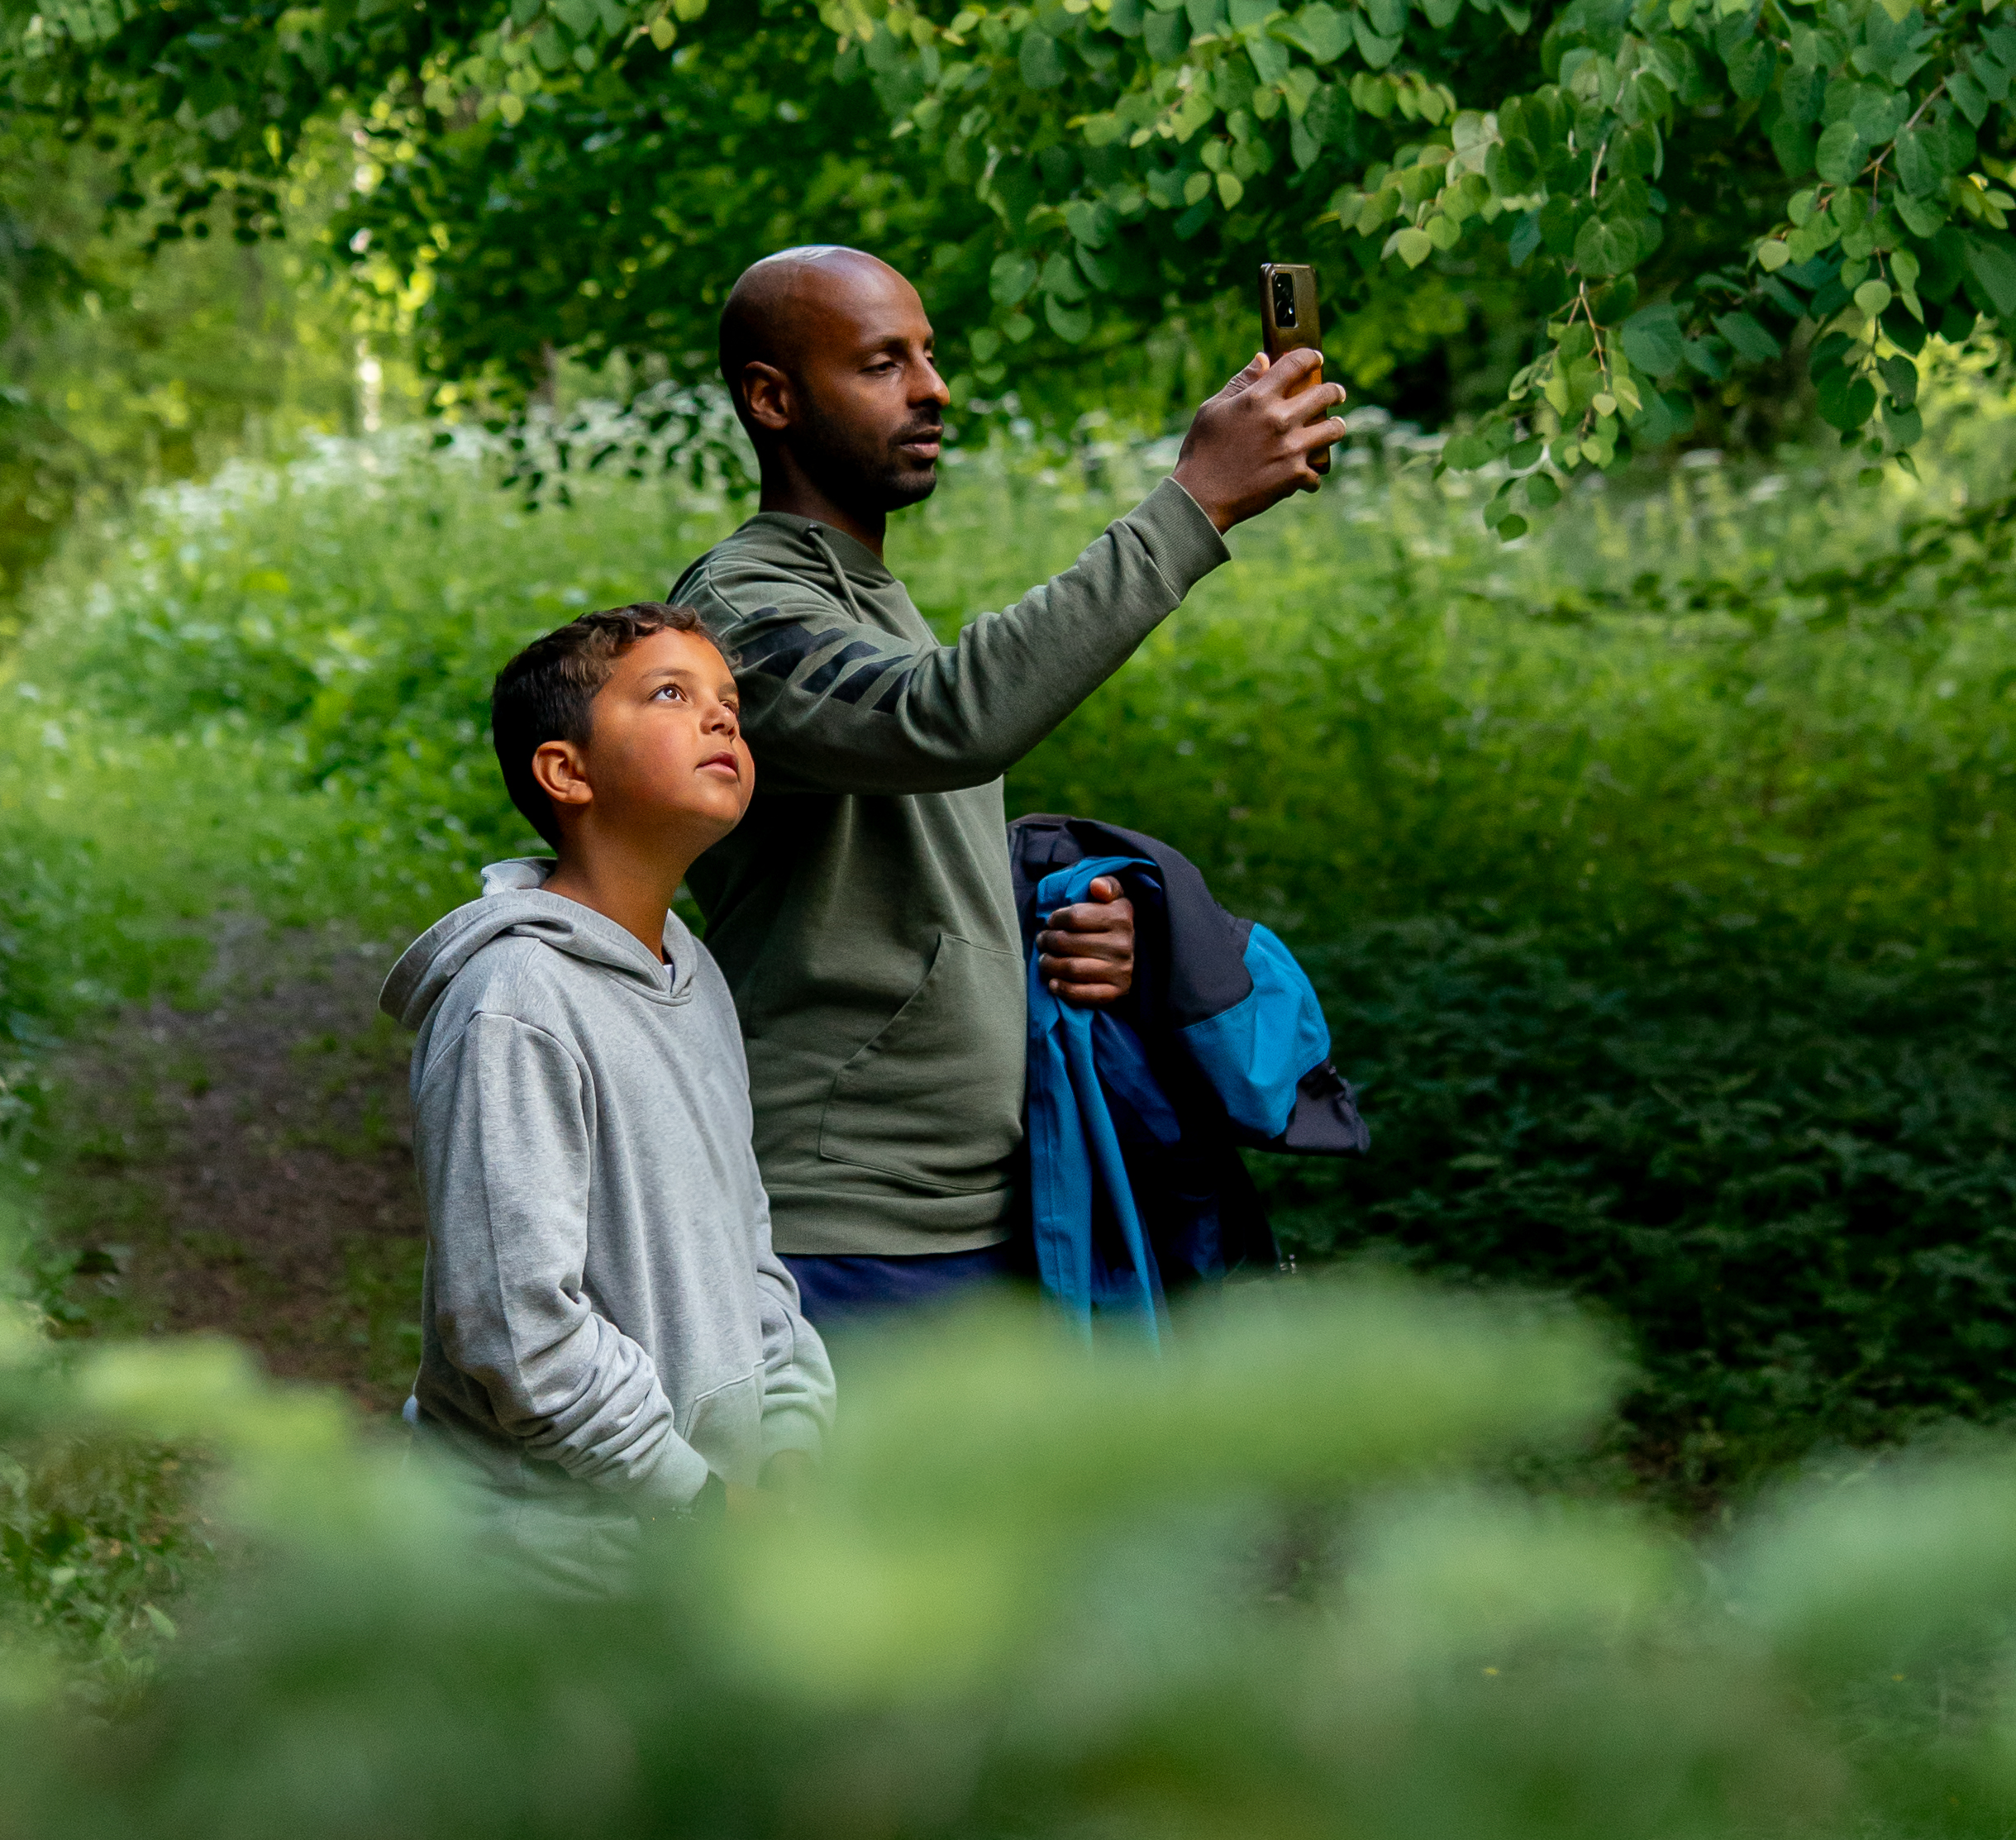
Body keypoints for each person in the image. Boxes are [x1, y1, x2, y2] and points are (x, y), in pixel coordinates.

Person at [670, 245, 1348, 1329]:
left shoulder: (862, 598)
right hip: (840, 1232)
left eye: (930, 356)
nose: (934, 387)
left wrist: (1077, 928)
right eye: (883, 362)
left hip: (975, 1213)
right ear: (773, 398)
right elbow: (949, 718)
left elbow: (901, 857)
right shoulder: (743, 614)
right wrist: (1191, 507)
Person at [376, 603, 834, 1596]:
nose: (721, 721)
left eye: (729, 703)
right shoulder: (514, 1002)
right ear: (565, 772)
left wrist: (789, 1441)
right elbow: (515, 1329)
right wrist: (696, 1498)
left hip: (691, 1536)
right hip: (547, 1567)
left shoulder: (694, 974)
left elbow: (747, 1247)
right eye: (670, 694)